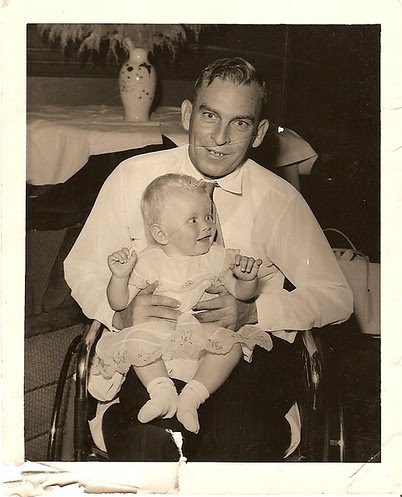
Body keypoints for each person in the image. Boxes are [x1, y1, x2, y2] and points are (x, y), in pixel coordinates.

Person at [64, 57, 353, 461]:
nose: (220, 137)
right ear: (187, 114)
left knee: (231, 443)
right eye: (209, 115)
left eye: (240, 122)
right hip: (154, 349)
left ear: (259, 133)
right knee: (151, 444)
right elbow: (83, 266)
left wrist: (255, 312)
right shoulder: (132, 177)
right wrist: (120, 313)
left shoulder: (279, 199)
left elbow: (337, 296)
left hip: (238, 358)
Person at [90, 173, 271, 434]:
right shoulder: (147, 261)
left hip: (202, 336)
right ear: (161, 234)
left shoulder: (216, 257)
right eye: (193, 220)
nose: (207, 226)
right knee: (138, 343)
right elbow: (119, 303)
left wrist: (247, 280)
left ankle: (192, 398)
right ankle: (162, 393)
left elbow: (240, 294)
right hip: (159, 336)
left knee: (231, 348)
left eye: (208, 216)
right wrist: (119, 277)